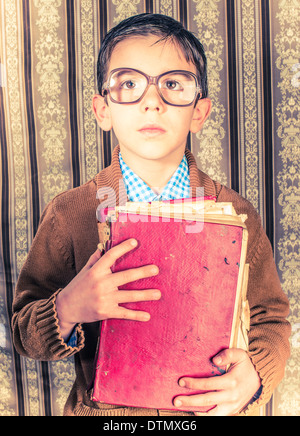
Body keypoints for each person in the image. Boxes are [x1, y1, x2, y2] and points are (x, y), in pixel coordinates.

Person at [12, 13, 290, 417]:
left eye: (173, 84)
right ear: (102, 109)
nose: (151, 101)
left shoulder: (236, 212)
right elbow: (24, 333)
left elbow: (271, 319)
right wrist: (70, 307)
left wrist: (255, 374)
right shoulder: (69, 213)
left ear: (199, 111)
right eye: (128, 84)